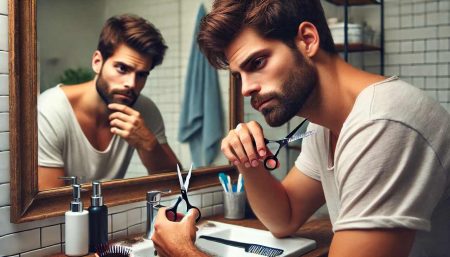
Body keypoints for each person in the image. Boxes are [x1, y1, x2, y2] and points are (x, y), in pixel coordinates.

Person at [151, 1, 450, 257]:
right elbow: (285, 217)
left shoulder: (383, 122)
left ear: (307, 40)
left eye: (257, 62)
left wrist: (185, 253)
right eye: (238, 75)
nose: (246, 89)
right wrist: (249, 163)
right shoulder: (324, 128)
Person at [38, 14, 179, 190]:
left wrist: (150, 145)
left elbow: (176, 185)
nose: (131, 84)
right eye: (122, 68)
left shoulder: (144, 109)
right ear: (97, 62)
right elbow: (49, 206)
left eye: (141, 74)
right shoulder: (49, 110)